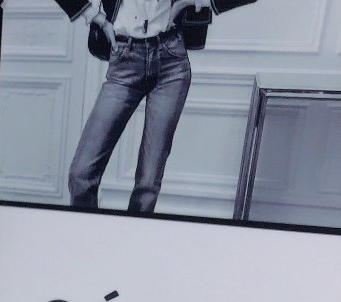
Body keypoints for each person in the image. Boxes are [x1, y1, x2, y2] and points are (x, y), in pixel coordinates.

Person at [57, 0, 258, 213]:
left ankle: (134, 233)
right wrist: (95, 16)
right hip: (125, 60)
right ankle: (87, 232)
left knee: (148, 184)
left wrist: (187, 2)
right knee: (81, 174)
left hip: (171, 62)